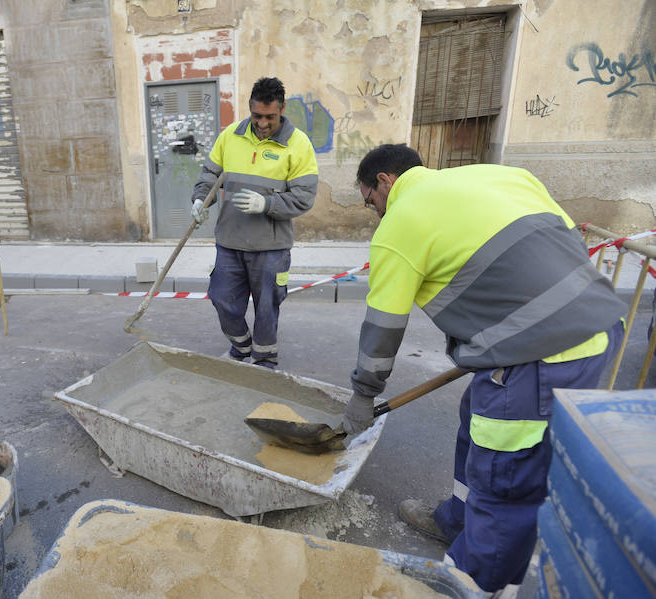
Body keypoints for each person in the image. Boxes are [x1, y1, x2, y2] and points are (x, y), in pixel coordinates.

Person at [343, 144, 626, 597]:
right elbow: (568, 244)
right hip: (597, 326)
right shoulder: (498, 175)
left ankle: (473, 583)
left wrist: (361, 398)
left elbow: (383, 329)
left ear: (385, 182)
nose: (373, 212)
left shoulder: (399, 223)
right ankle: (457, 518)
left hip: (543, 355)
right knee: (476, 421)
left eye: (369, 201)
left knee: (506, 477)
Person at [190, 77, 318, 369]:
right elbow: (209, 176)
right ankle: (242, 347)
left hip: (271, 247)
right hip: (230, 242)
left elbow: (304, 196)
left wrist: (268, 204)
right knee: (222, 298)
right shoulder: (230, 136)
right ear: (249, 108)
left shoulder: (298, 144)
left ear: (282, 109)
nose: (262, 123)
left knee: (267, 309)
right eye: (256, 116)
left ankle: (264, 359)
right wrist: (200, 200)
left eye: (270, 117)